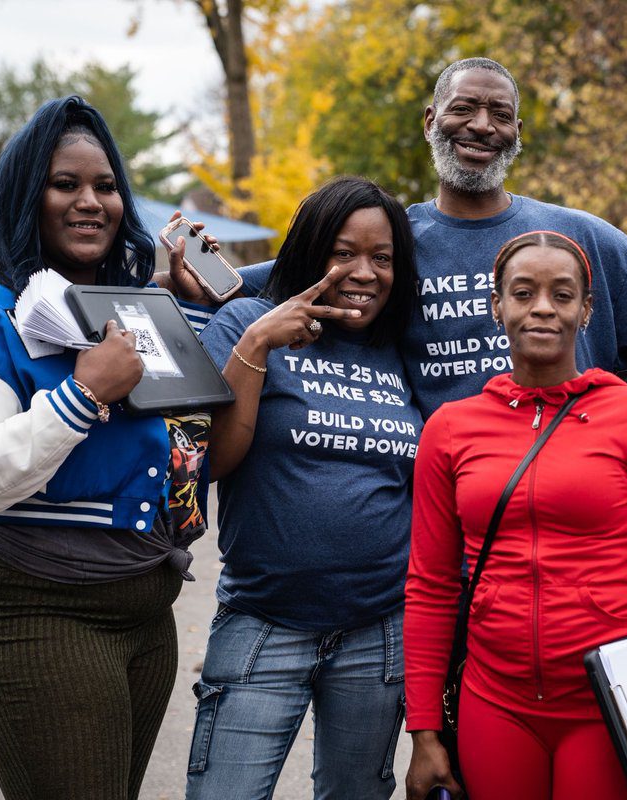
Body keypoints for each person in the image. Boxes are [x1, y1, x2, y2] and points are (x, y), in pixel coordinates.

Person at [0, 96, 216, 800]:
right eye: (65, 184)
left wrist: (197, 309)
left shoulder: (128, 307)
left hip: (145, 611)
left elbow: (192, 436)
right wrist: (80, 398)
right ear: (26, 196)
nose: (91, 202)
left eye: (106, 186)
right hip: (35, 611)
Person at [404, 230, 627, 800]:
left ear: (586, 309)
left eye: (562, 294)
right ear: (496, 306)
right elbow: (430, 585)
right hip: (493, 702)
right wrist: (423, 730)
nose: (543, 307)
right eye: (523, 293)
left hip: (606, 704)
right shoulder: (450, 428)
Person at [239, 57, 627, 418]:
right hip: (450, 495)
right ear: (430, 121)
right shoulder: (389, 245)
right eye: (463, 109)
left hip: (574, 488)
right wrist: (189, 273)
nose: (481, 125)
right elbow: (276, 280)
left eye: (501, 115)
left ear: (517, 134)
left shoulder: (581, 236)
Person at [186, 176, 422, 799]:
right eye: (343, 253)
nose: (364, 273)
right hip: (264, 622)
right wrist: (259, 341)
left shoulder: (399, 349)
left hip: (378, 632)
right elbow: (215, 462)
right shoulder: (245, 322)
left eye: (382, 258)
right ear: (311, 251)